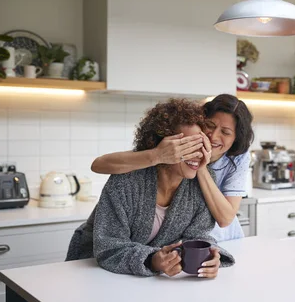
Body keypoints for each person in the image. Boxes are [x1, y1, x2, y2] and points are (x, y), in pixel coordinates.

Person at [66, 98, 235, 277]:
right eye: (185, 146)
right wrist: (152, 259)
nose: (197, 153)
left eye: (200, 144)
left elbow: (197, 235)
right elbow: (109, 246)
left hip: (144, 279)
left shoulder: (200, 182)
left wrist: (209, 255)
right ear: (162, 147)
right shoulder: (127, 179)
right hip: (90, 268)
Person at [90, 94, 255, 242]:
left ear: (235, 139)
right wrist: (158, 155)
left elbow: (225, 218)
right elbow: (98, 165)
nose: (213, 135)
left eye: (226, 132)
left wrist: (199, 165)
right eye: (210, 125)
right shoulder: (164, 154)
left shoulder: (237, 158)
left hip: (221, 239)